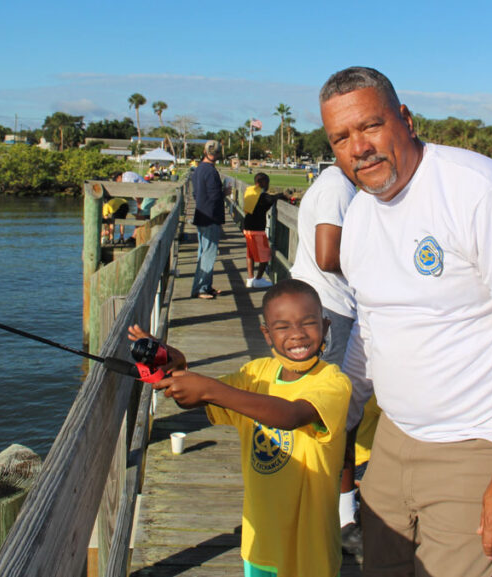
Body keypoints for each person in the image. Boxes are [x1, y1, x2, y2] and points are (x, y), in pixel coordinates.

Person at [320, 66, 492, 576]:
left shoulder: (483, 192)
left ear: (406, 120)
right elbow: (370, 330)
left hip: (477, 448)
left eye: (370, 126)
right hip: (392, 441)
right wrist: (340, 419)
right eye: (341, 138)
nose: (359, 148)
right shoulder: (361, 216)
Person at [129, 279, 352, 577]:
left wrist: (209, 388)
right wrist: (177, 368)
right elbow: (197, 399)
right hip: (259, 543)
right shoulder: (255, 374)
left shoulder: (334, 382)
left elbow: (291, 414)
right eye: (282, 326)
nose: (297, 334)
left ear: (325, 326)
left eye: (308, 323)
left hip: (310, 550)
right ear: (267, 334)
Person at [288, 164, 364, 545]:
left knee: (324, 415)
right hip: (331, 312)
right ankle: (341, 518)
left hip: (320, 307)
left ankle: (325, 507)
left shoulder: (333, 184)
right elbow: (327, 256)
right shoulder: (338, 188)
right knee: (337, 419)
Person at [190, 140, 231, 299]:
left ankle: (204, 287)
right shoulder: (211, 171)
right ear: (218, 154)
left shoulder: (198, 169)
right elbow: (214, 196)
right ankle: (201, 289)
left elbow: (195, 194)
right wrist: (225, 193)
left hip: (200, 215)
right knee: (209, 254)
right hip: (210, 217)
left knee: (203, 252)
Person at [242, 173, 290, 288]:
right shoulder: (262, 196)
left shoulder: (250, 192)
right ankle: (258, 279)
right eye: (267, 182)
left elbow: (268, 199)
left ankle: (250, 278)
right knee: (265, 256)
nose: (268, 185)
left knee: (251, 254)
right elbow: (271, 199)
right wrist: (282, 195)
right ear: (262, 182)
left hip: (247, 228)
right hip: (257, 230)